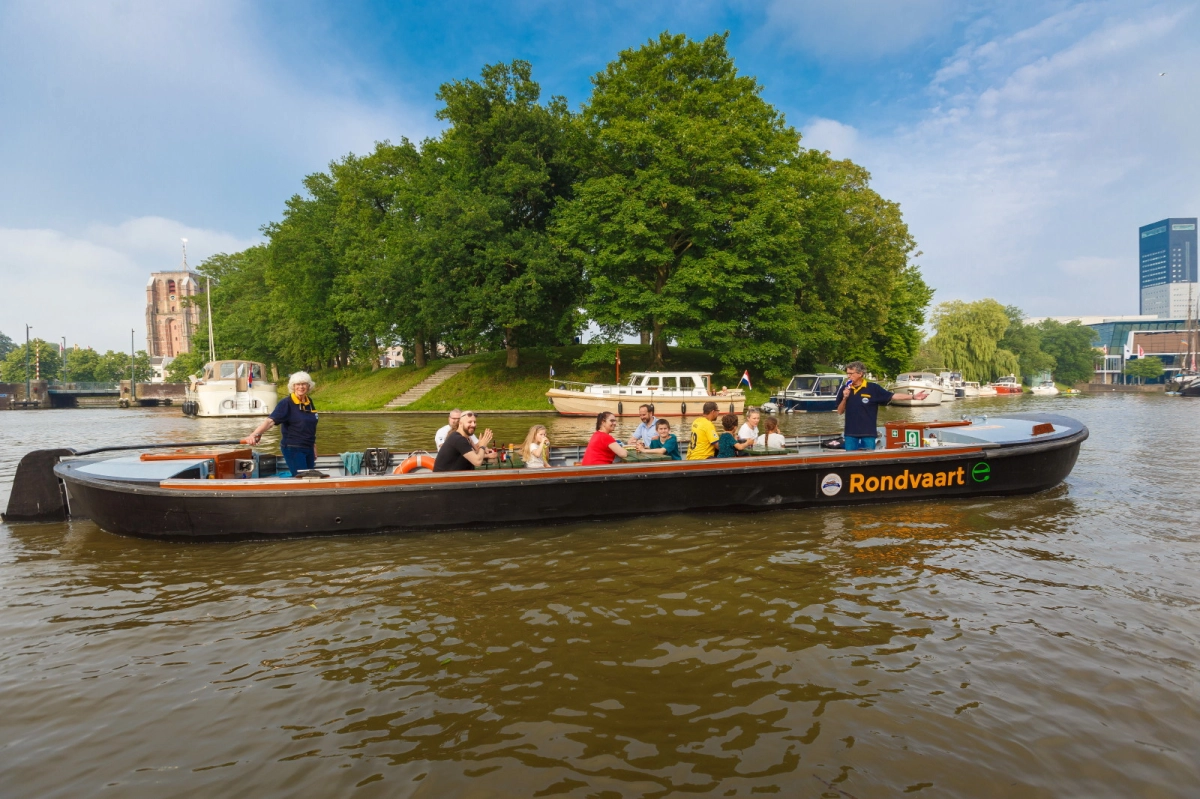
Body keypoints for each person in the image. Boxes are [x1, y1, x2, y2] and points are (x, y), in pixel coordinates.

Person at [242, 372, 319, 477]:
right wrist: (254, 434)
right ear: (293, 386)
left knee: (312, 477)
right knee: (303, 478)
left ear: (309, 386)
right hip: (293, 448)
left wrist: (313, 445)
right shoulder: (286, 403)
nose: (301, 387)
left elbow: (310, 426)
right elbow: (270, 421)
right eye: (298, 384)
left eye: (304, 384)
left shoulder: (309, 401)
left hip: (308, 447)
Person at [836, 361, 894, 451]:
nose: (848, 376)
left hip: (868, 433)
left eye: (851, 373)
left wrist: (913, 396)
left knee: (869, 459)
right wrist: (845, 398)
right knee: (850, 459)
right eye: (847, 373)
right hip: (850, 433)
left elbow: (892, 396)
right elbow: (839, 412)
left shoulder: (873, 388)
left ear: (860, 373)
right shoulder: (844, 389)